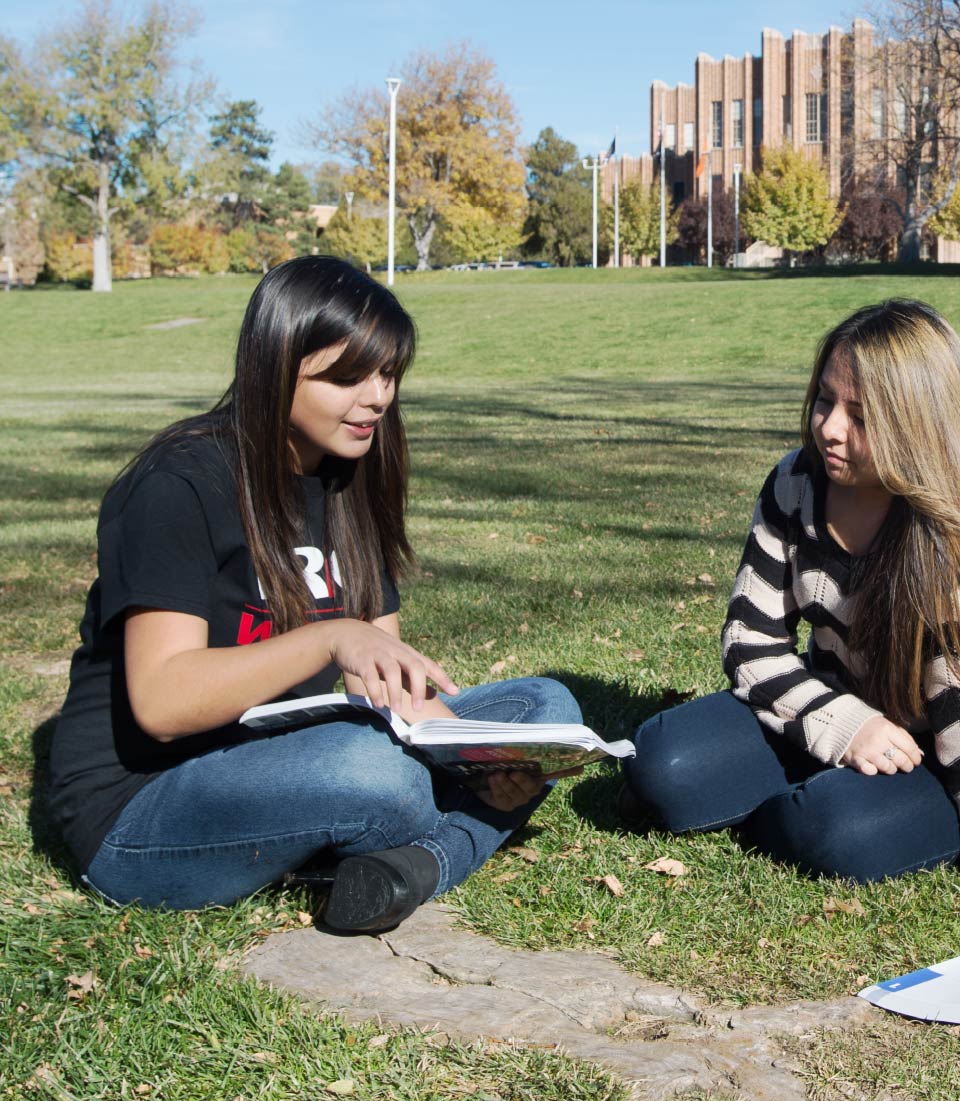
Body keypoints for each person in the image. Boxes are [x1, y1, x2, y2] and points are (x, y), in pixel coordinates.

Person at [47, 255, 583, 933]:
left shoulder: (349, 482)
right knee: (375, 775)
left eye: (388, 373)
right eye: (346, 377)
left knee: (542, 709)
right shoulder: (179, 485)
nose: (377, 397)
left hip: (298, 757)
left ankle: (413, 864)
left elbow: (394, 695)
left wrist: (475, 756)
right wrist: (330, 638)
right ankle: (449, 844)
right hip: (145, 804)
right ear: (274, 368)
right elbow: (162, 702)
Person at [624, 299, 960, 888]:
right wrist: (845, 725)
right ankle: (763, 798)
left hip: (937, 754)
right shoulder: (796, 482)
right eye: (824, 400)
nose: (829, 428)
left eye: (861, 416)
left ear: (921, 423)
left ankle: (787, 809)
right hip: (830, 710)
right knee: (660, 762)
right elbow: (749, 641)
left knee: (833, 829)